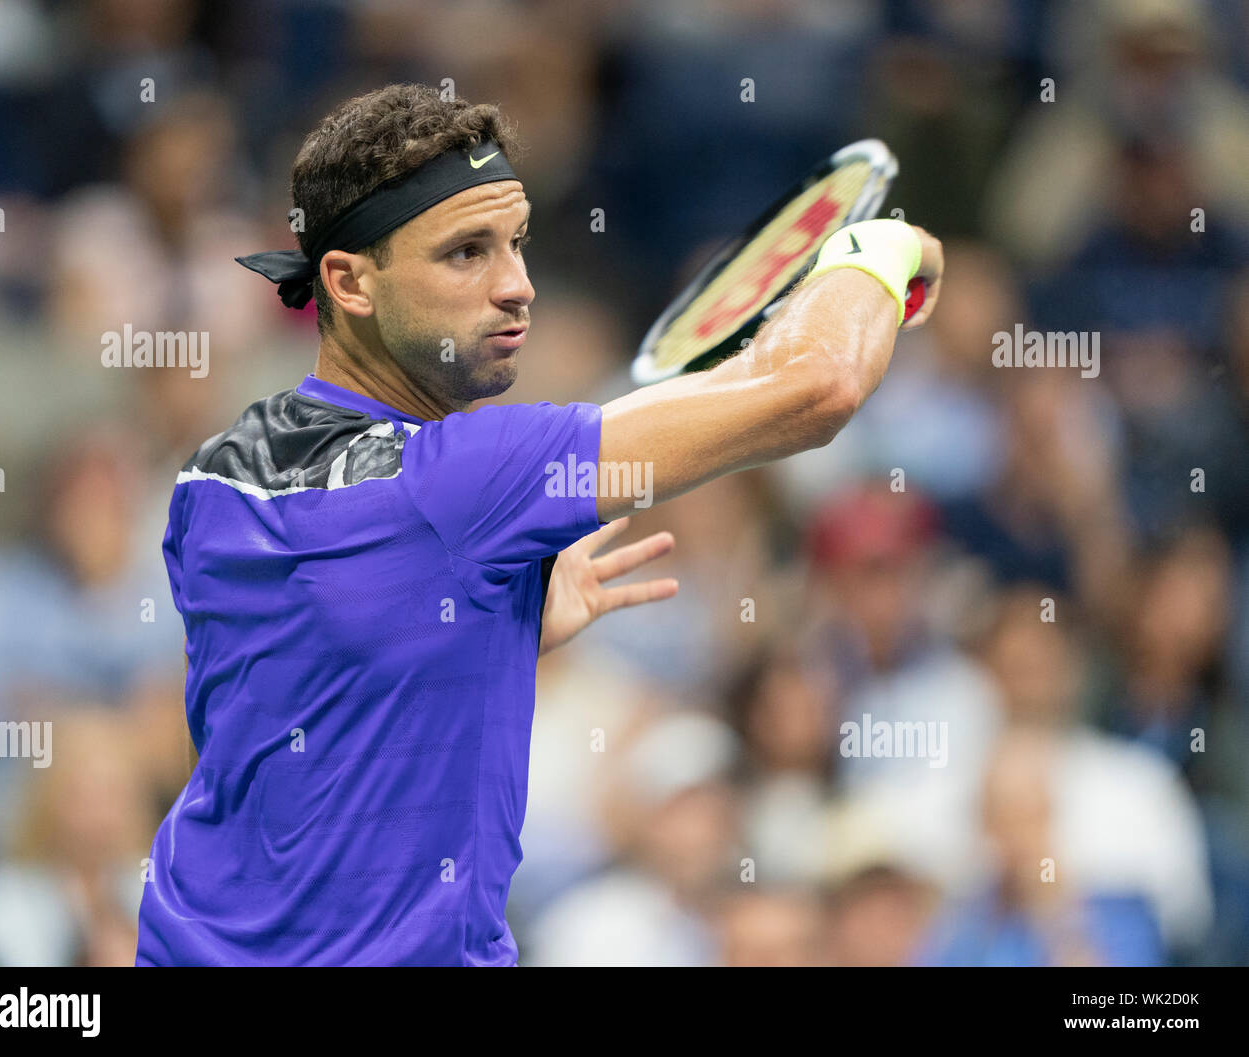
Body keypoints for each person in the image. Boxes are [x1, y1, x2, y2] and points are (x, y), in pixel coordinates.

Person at [134, 82, 944, 967]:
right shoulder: (469, 476)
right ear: (348, 282)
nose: (518, 287)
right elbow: (816, 387)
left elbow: (273, 714)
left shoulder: (213, 475)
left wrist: (479, 635)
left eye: (516, 244)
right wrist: (881, 249)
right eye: (466, 253)